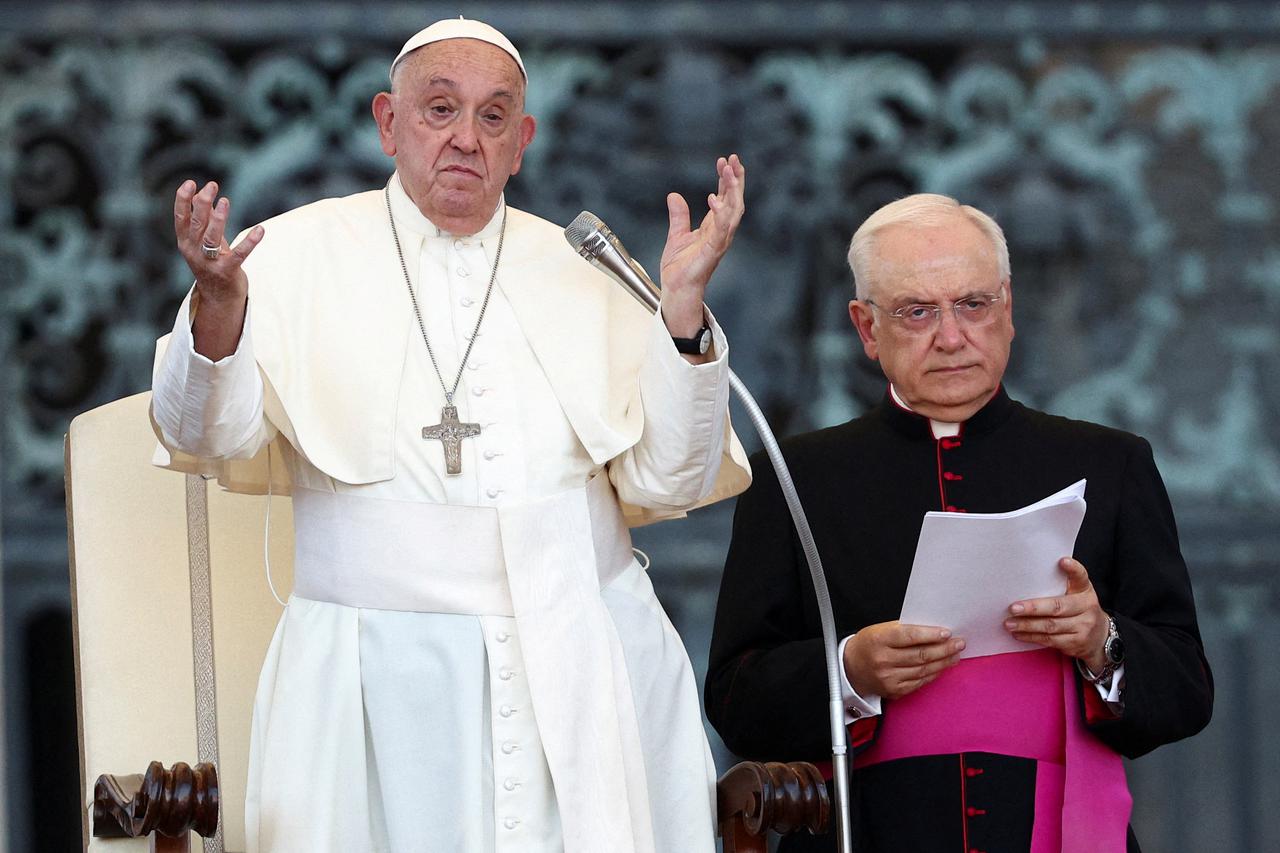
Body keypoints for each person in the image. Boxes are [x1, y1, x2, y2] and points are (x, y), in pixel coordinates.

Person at [150, 18, 750, 853]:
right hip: (372, 673)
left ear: (522, 142)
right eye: (440, 110)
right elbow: (201, 432)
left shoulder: (588, 268)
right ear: (388, 124)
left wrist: (680, 318)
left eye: (494, 117)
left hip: (584, 656)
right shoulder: (285, 256)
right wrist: (216, 307)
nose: (466, 138)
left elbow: (671, 482)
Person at [704, 194, 1212, 852]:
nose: (951, 336)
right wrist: (849, 670)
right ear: (866, 327)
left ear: (1008, 308)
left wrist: (1101, 640)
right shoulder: (795, 475)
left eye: (973, 304)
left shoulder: (1110, 462)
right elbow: (735, 697)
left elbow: (1187, 688)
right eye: (918, 311)